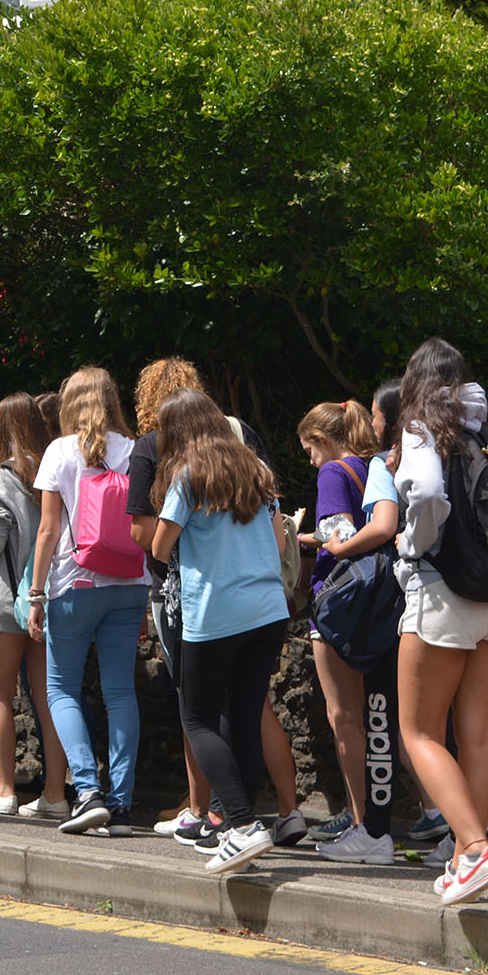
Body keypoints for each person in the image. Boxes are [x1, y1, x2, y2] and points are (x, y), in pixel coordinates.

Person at [124, 358, 298, 845]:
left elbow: (159, 547)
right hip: (268, 610)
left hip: (215, 611)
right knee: (244, 717)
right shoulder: (257, 470)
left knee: (198, 718)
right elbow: (279, 543)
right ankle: (244, 823)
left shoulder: (186, 476)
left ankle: (239, 823)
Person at [394, 337, 488, 905]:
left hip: (444, 593)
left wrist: (412, 544)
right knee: (478, 736)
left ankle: (473, 849)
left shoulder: (421, 427)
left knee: (418, 731)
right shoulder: (482, 429)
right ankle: (466, 858)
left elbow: (425, 492)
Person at [317, 378, 444, 865]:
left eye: (376, 414)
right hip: (449, 598)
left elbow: (385, 526)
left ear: (390, 418)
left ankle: (375, 832)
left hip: (395, 605)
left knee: (381, 719)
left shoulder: (383, 464)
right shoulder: (441, 451)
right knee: (433, 724)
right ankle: (454, 829)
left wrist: (339, 547)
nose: (371, 423)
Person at [26, 366, 145, 836]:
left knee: (60, 689)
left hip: (75, 584)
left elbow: (48, 530)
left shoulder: (59, 451)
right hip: (130, 582)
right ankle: (122, 806)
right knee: (120, 692)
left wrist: (36, 593)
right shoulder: (134, 451)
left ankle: (88, 791)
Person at [0, 391, 69, 817]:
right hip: (46, 598)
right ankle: (55, 796)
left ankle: (5, 791)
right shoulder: (54, 470)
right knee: (49, 700)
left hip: (6, 602)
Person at [296, 399, 386, 848]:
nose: (311, 461)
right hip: (379, 601)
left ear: (322, 440)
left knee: (344, 715)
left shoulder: (333, 471)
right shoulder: (374, 466)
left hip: (339, 600)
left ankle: (359, 819)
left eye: (309, 450)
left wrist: (302, 537)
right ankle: (425, 813)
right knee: (384, 716)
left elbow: (340, 534)